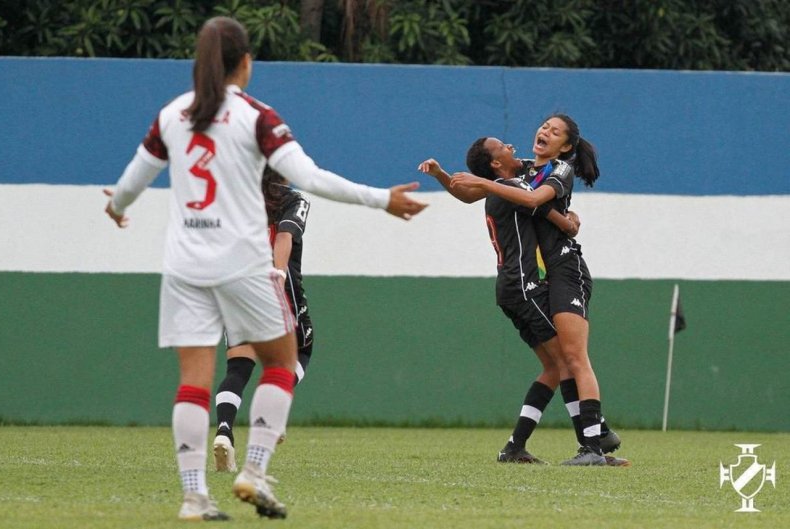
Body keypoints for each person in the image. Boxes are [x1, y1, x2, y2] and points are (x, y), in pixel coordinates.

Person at [104, 16, 426, 521]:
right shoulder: (257, 118)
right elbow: (310, 177)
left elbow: (133, 178)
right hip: (242, 263)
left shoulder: (172, 115)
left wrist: (118, 206)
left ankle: (193, 498)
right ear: (246, 63)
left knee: (193, 381)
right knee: (282, 361)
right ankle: (253, 470)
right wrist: (380, 198)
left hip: (184, 263)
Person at [450, 114, 620, 466]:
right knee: (561, 363)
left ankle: (593, 443)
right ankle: (594, 436)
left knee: (572, 358)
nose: (545, 131)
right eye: (544, 126)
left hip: (566, 268)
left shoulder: (560, 170)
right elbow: (519, 197)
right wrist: (565, 220)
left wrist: (488, 185)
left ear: (567, 146)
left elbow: (531, 200)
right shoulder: (524, 169)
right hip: (542, 277)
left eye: (555, 132)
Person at [421, 138, 582, 464]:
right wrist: (570, 222)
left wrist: (441, 175)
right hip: (524, 285)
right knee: (567, 362)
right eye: (502, 147)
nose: (511, 145)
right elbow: (535, 203)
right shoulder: (509, 187)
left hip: (510, 288)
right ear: (496, 164)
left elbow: (472, 191)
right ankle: (591, 442)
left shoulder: (510, 180)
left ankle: (514, 446)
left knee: (552, 367)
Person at [212, 166, 314, 473]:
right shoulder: (294, 200)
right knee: (303, 352)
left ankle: (224, 432)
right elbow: (285, 234)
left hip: (237, 288)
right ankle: (272, 410)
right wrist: (278, 273)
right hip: (280, 290)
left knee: (239, 365)